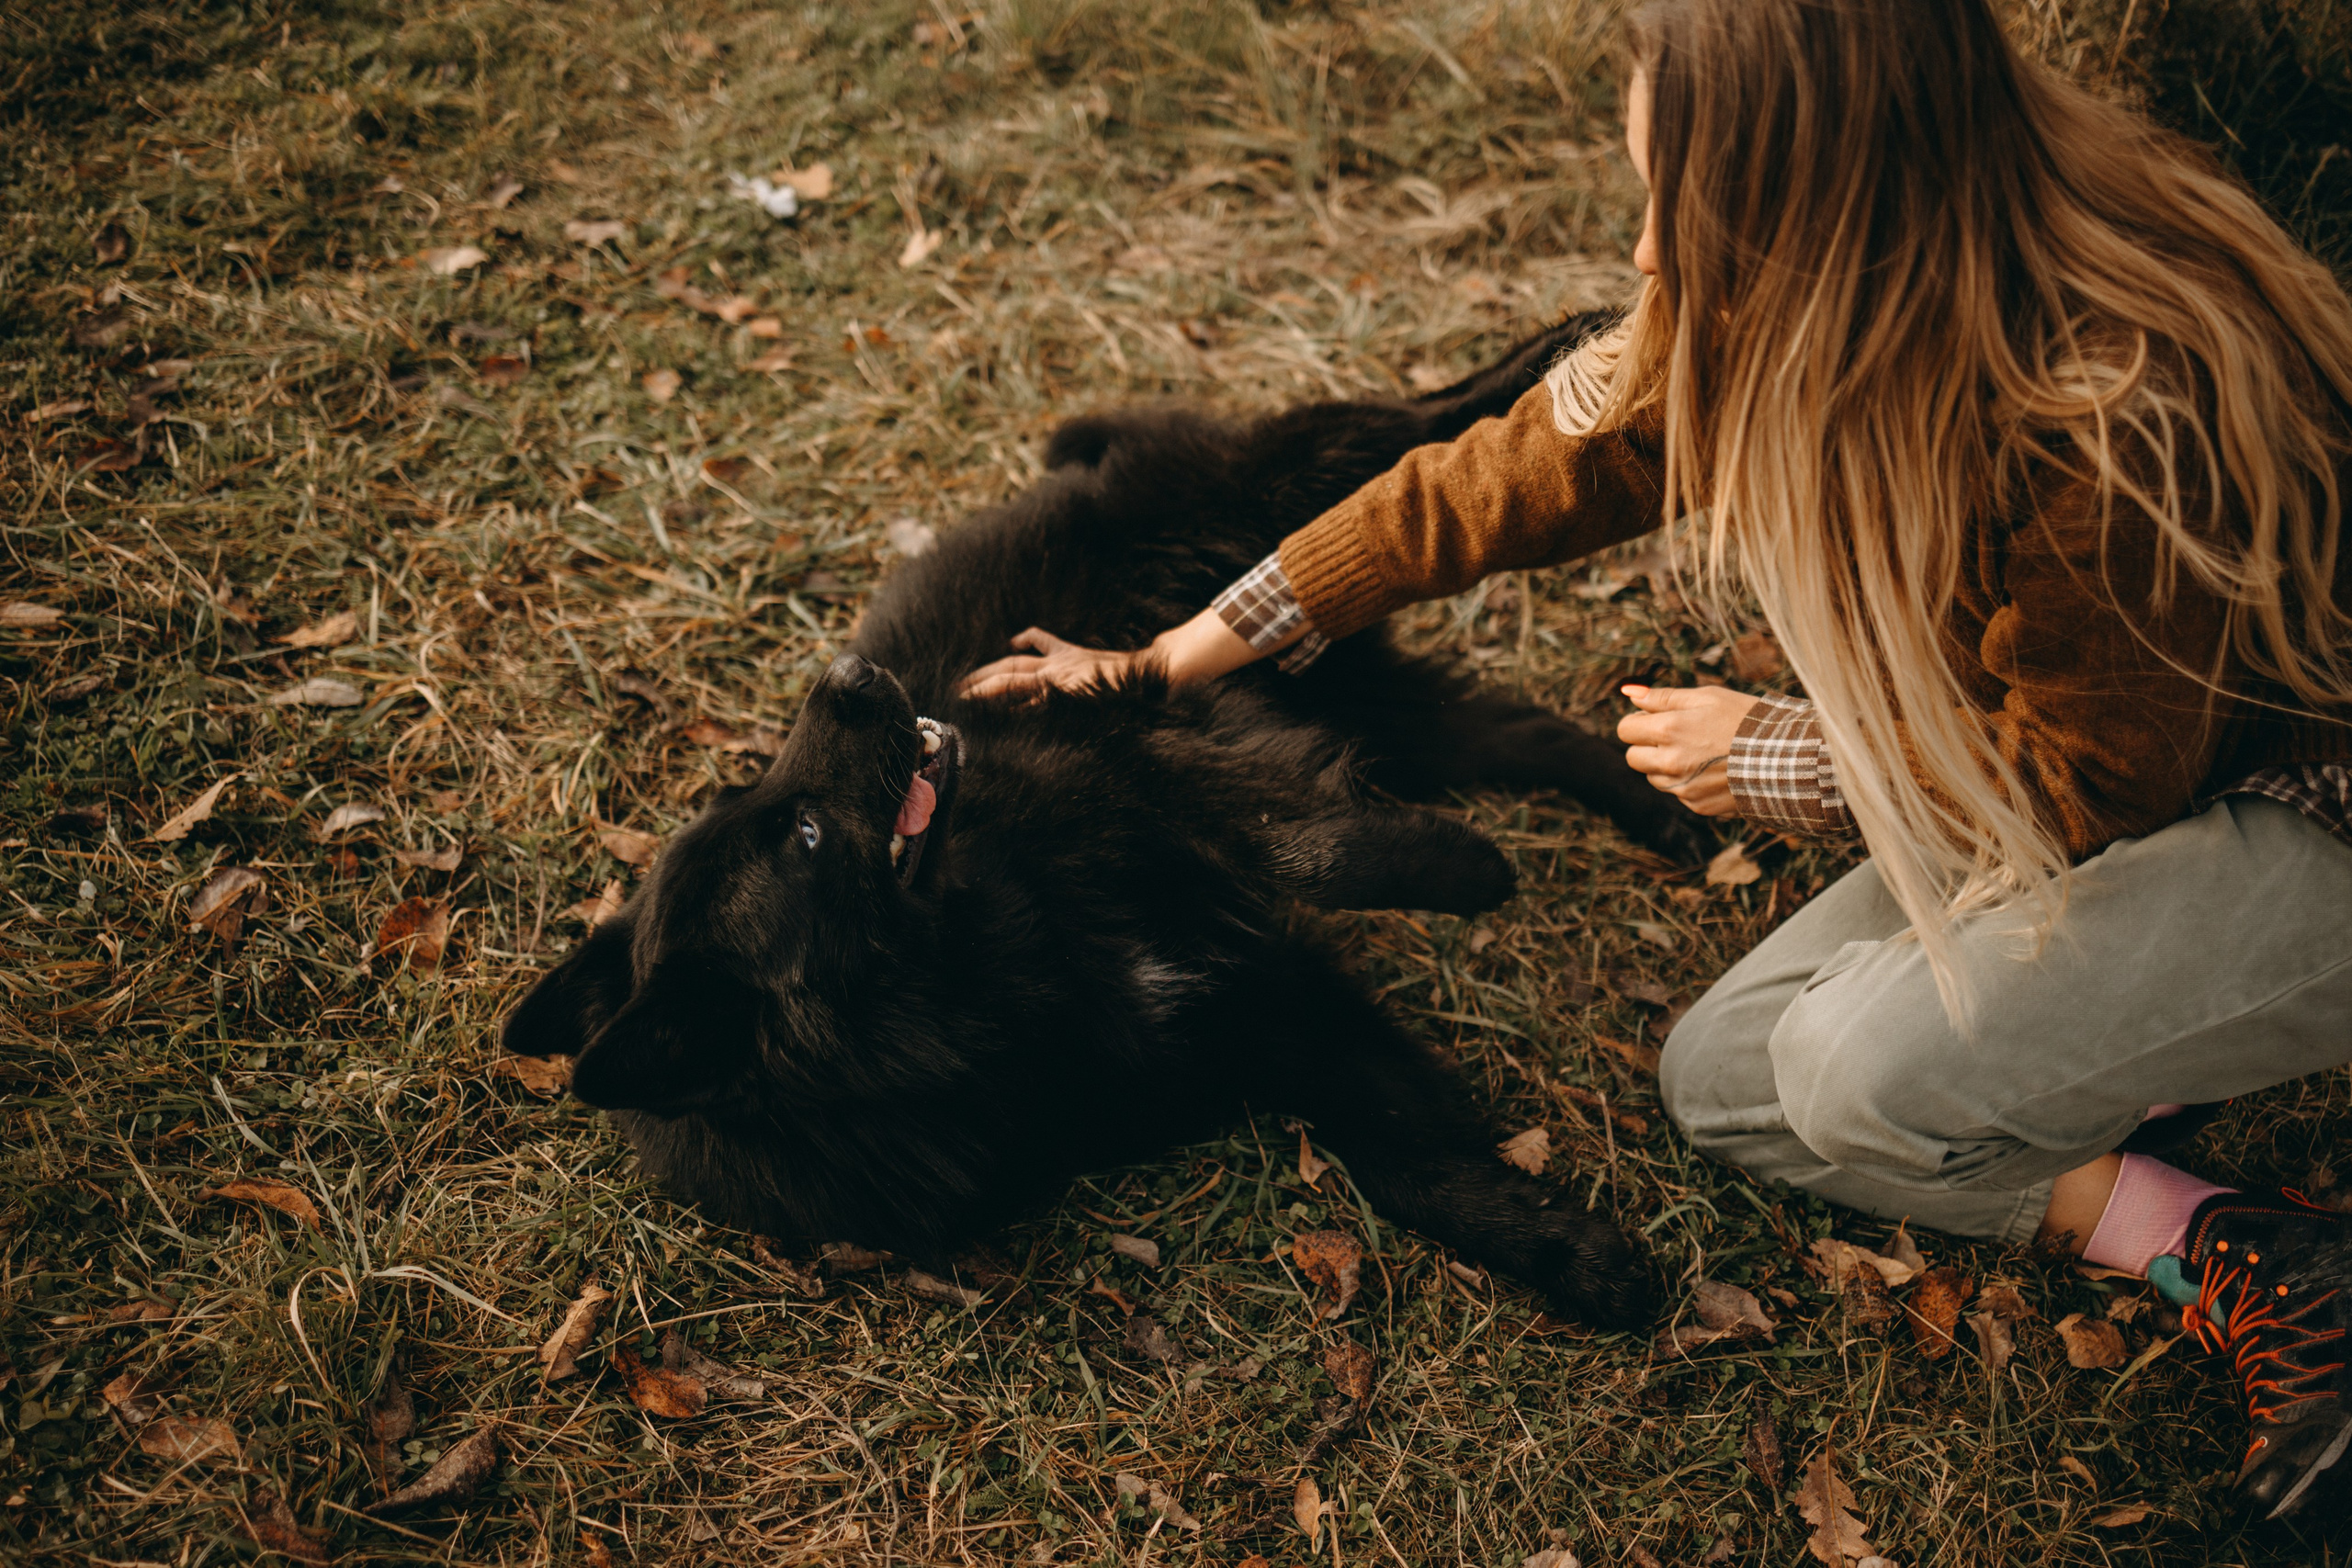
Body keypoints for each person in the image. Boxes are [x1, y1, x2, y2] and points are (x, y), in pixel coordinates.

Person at [962, 0, 2352, 1523]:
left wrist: (1779, 758)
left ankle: (2226, 1188)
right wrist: (1169, 658)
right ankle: (2232, 1220)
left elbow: (2089, 786)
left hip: (2300, 812)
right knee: (1734, 1081)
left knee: (1854, 1074)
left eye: (1687, 208)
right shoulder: (1816, 299)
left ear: (1836, 200)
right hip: (2121, 783)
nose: (1644, 253)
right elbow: (1499, 479)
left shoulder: (2106, 405)